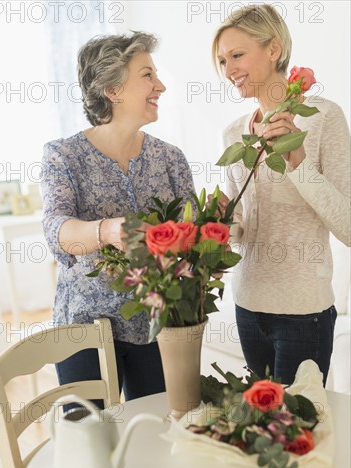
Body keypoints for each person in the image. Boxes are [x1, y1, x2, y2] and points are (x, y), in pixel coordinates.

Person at [41, 32, 196, 405]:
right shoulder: (63, 155)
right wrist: (108, 230)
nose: (159, 85)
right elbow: (56, 229)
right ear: (112, 89)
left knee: (158, 430)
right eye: (147, 75)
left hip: (157, 322)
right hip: (85, 325)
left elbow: (192, 236)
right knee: (90, 436)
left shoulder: (170, 158)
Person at [211, 4, 350, 385]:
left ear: (273, 49)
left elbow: (348, 227)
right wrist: (222, 222)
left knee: (301, 434)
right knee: (263, 433)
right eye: (223, 61)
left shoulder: (324, 117)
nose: (229, 70)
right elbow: (243, 229)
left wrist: (298, 162)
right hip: (247, 306)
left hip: (303, 313)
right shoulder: (234, 134)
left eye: (237, 55)